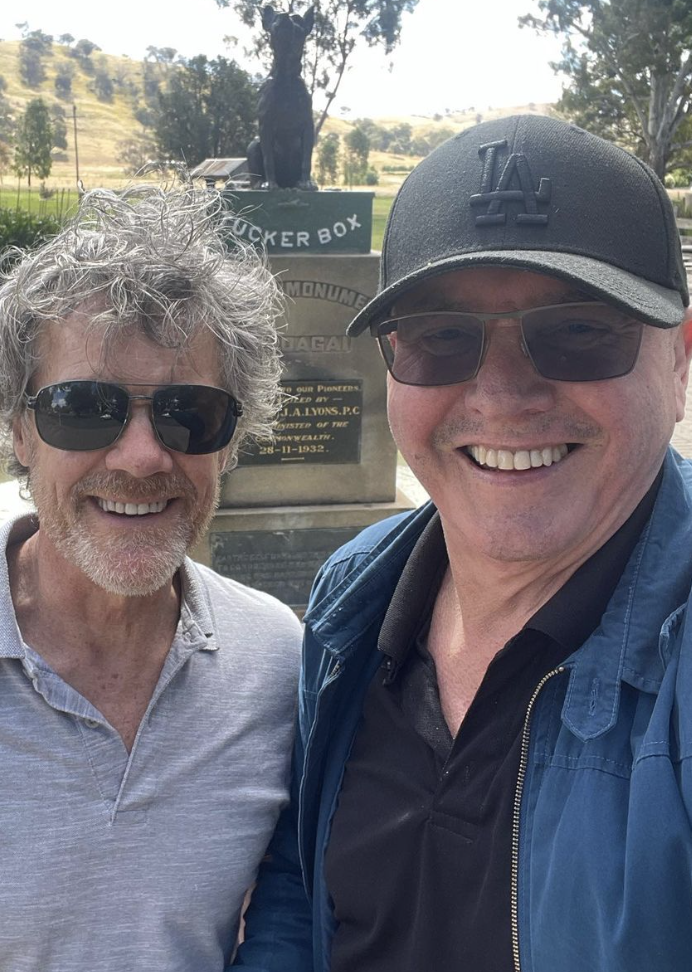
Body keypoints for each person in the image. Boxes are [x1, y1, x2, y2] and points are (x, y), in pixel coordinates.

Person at [234, 114, 692, 971]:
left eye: (581, 330)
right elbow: (301, 884)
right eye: (443, 337)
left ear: (681, 362)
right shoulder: (353, 599)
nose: (502, 396)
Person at [0, 186, 302, 972]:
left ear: (230, 439)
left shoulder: (278, 660)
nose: (142, 456)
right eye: (83, 408)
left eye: (190, 413)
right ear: (17, 428)